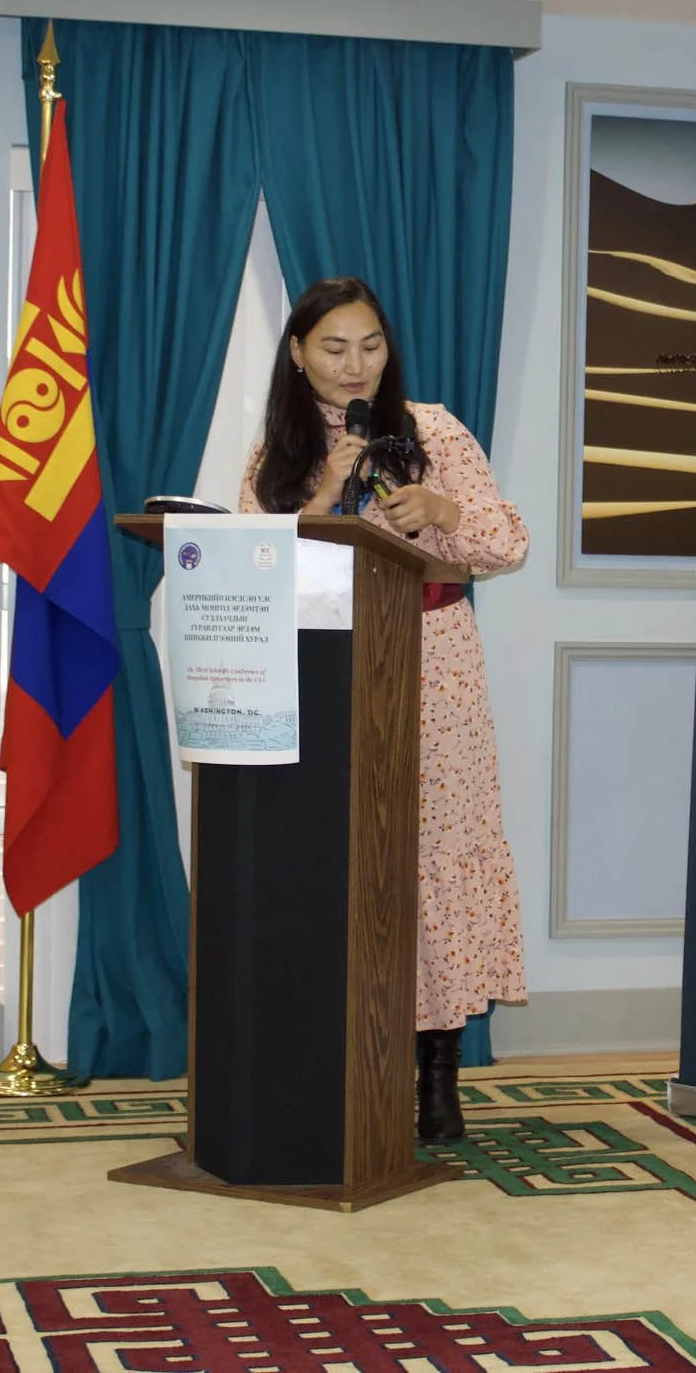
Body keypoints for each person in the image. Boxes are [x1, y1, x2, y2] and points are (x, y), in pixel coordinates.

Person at [242, 276, 528, 1144]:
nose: (355, 364)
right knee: (340, 859)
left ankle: (437, 1076)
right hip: (324, 669)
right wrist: (321, 494)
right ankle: (337, 1064)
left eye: (370, 345)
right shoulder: (280, 448)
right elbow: (252, 558)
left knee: (430, 853)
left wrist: (440, 510)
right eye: (334, 347)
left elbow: (504, 542)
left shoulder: (433, 429)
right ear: (298, 353)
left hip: (432, 665)